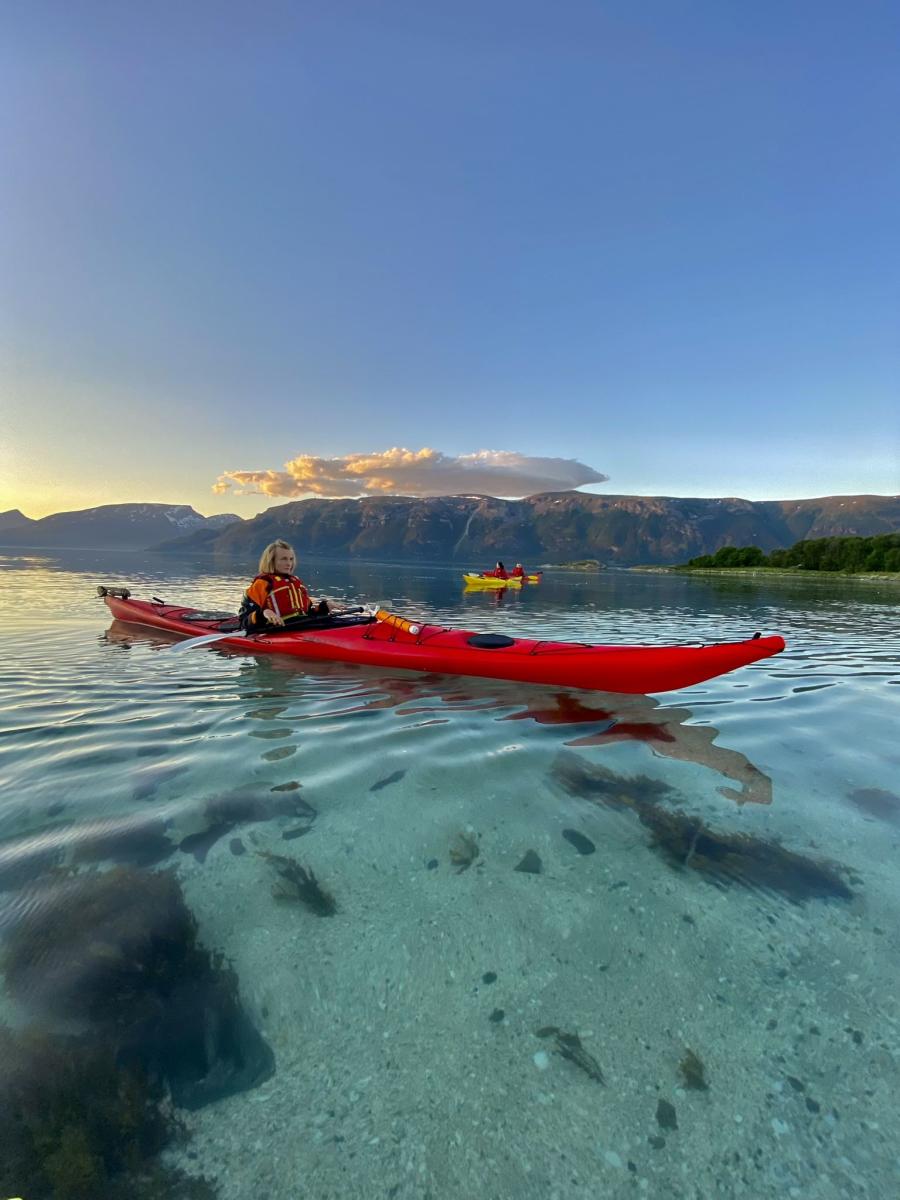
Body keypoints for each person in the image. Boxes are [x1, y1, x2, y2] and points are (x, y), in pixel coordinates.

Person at [239, 540, 330, 632]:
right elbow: (244, 622)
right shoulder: (262, 584)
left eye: (291, 559)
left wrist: (323, 608)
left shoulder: (296, 582)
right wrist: (264, 613)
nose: (289, 563)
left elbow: (308, 613)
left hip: (302, 625)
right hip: (278, 630)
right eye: (284, 559)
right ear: (271, 561)